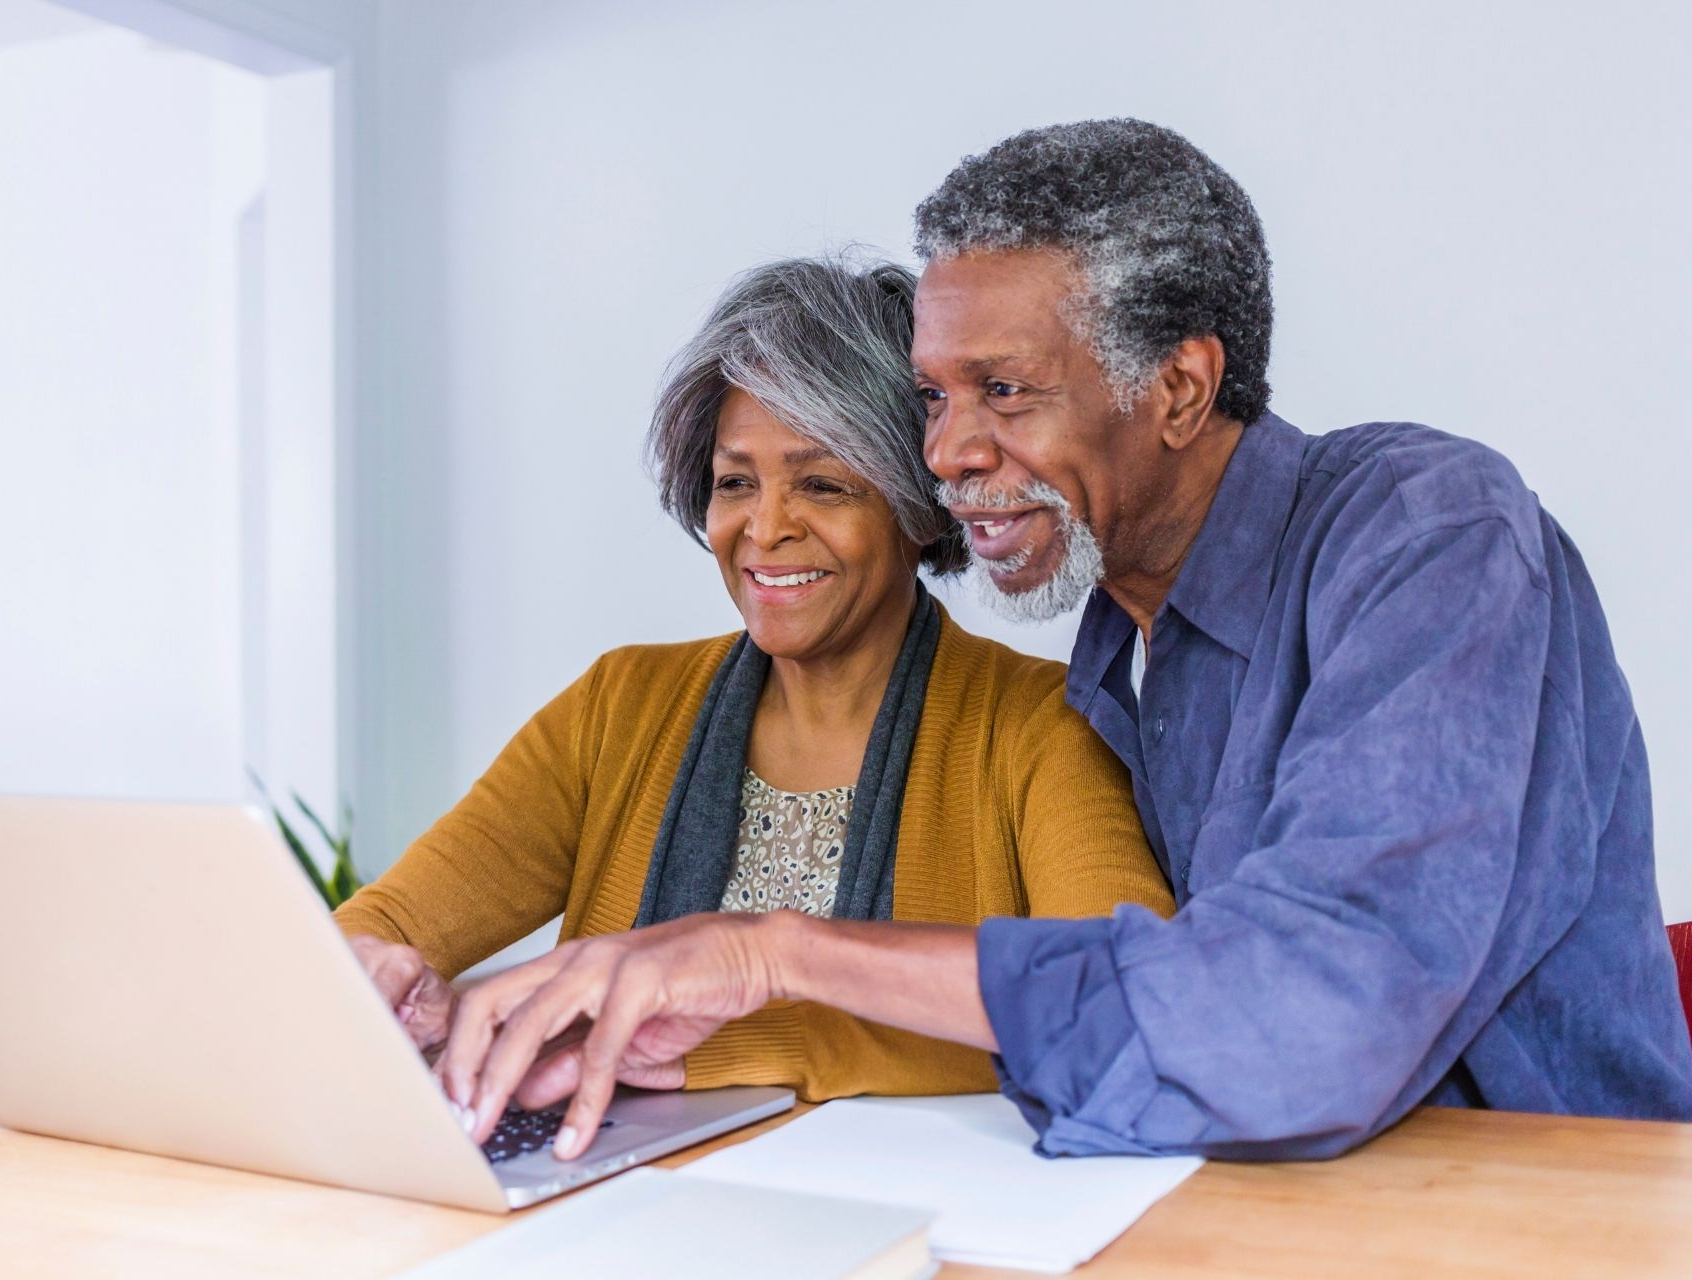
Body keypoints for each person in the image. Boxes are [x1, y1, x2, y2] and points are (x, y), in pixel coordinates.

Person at [436, 121, 1692, 1162]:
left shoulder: (1429, 532)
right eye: (934, 396)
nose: (944, 453)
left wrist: (775, 950)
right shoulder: (1120, 646)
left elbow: (1302, 1020)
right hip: (1247, 1210)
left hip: (1535, 1212)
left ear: (1182, 390)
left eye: (1006, 391)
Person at [336, 255, 1172, 1107]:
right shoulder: (617, 708)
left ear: (919, 505)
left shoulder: (1041, 727)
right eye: (735, 482)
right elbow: (381, 927)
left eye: (821, 484)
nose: (765, 528)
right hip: (620, 1200)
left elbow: (1125, 1007)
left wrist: (681, 1045)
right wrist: (386, 979)